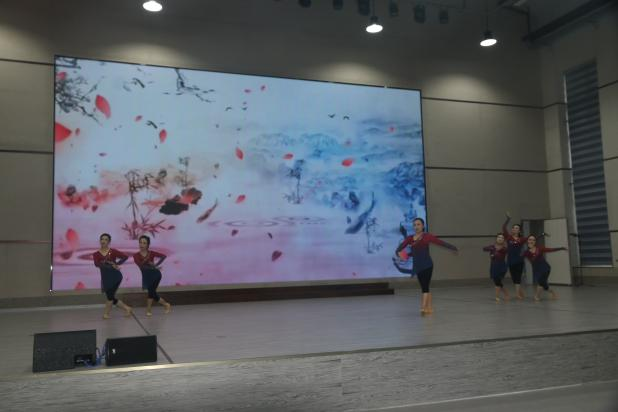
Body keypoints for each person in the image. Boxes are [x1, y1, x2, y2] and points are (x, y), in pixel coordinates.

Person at [395, 218, 458, 315]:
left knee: (425, 287)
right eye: (414, 225)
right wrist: (402, 255)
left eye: (418, 224)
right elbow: (400, 249)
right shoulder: (410, 238)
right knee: (425, 287)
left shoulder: (427, 236)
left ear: (423, 226)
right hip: (418, 267)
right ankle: (429, 308)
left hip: (427, 265)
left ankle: (423, 308)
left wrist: (453, 248)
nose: (416, 226)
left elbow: (441, 243)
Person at [92, 233, 132, 319]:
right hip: (106, 278)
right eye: (102, 239)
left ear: (109, 242)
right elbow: (97, 264)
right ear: (100, 241)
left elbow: (125, 257)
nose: (103, 241)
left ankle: (106, 314)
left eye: (106, 239)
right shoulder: (96, 254)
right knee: (110, 296)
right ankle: (127, 308)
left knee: (110, 296)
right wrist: (108, 263)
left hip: (115, 277)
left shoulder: (112, 251)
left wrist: (116, 264)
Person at [133, 235, 171, 316]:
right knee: (152, 293)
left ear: (148, 245)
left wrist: (156, 265)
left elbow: (163, 256)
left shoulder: (151, 253)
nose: (142, 245)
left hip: (155, 275)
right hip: (147, 276)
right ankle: (166, 304)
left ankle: (149, 310)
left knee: (151, 292)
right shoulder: (136, 255)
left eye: (144, 243)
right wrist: (151, 264)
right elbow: (141, 265)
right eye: (140, 242)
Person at [521, 234, 567, 301]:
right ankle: (553, 293)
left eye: (533, 240)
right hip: (536, 270)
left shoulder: (540, 249)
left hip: (545, 268)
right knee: (544, 285)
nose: (531, 241)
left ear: (535, 242)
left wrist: (561, 248)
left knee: (540, 282)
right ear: (527, 241)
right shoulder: (526, 252)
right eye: (530, 239)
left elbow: (551, 249)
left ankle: (536, 296)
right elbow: (520, 258)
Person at [502, 212, 530, 299]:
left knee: (518, 278)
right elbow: (503, 227)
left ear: (519, 231)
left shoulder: (522, 239)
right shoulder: (508, 237)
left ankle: (517, 294)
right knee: (514, 278)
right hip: (510, 261)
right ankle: (520, 292)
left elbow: (532, 240)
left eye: (517, 228)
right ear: (512, 230)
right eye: (514, 228)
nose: (515, 229)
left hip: (519, 261)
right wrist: (508, 219)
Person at [483, 233, 510, 302]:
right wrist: (491, 248)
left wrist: (494, 253)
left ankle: (498, 296)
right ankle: (505, 293)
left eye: (502, 238)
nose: (500, 239)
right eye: (499, 237)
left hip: (501, 266)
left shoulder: (504, 248)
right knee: (497, 281)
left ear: (503, 240)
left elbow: (502, 252)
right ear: (496, 239)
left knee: (498, 281)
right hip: (494, 266)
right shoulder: (492, 247)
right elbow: (484, 248)